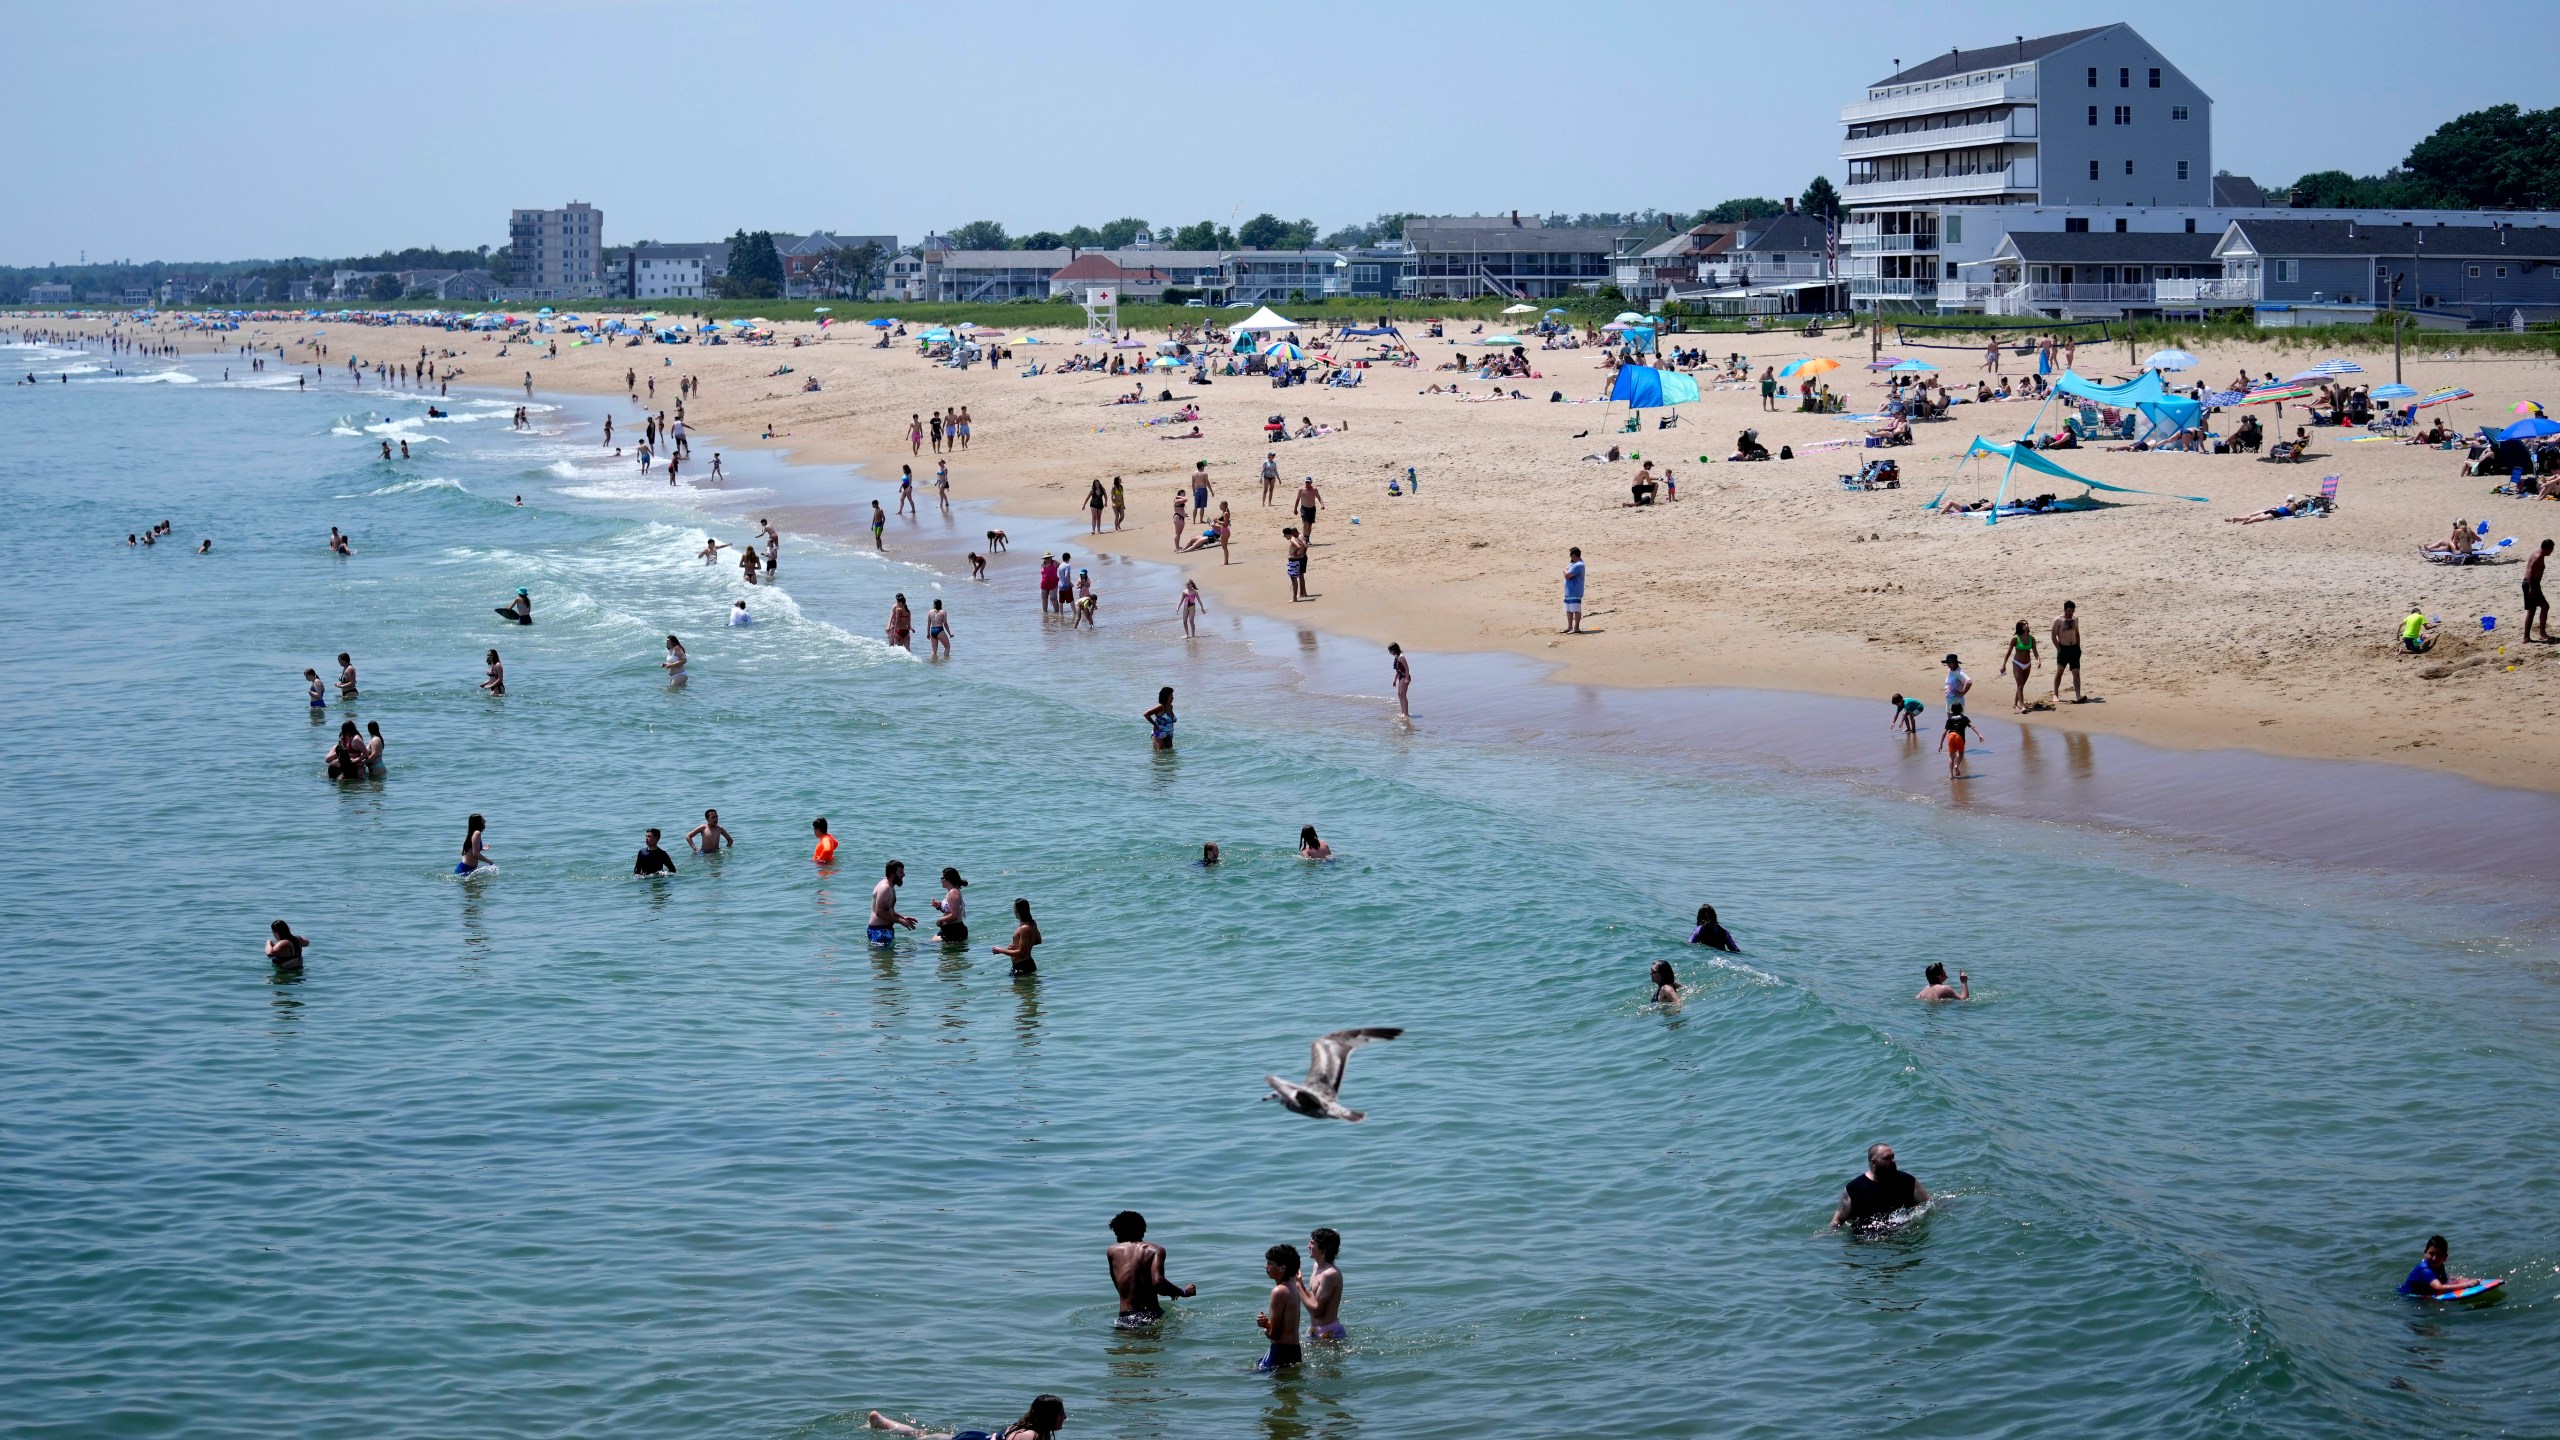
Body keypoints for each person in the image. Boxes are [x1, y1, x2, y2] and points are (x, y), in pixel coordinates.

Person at [1107, 1211, 1194, 1326]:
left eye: (1117, 1234)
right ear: (1142, 1230)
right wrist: (1183, 1292)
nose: (1117, 1239)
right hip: (1150, 1315)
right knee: (1153, 1343)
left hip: (1125, 1318)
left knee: (1126, 1343)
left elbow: (1119, 1285)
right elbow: (1158, 1282)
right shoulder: (1155, 1250)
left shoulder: (1112, 1251)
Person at [864, 1394, 1067, 1440]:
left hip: (974, 1437)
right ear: (1049, 1416)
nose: (1065, 1418)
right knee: (920, 1437)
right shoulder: (1030, 1435)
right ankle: (880, 1422)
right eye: (1061, 1414)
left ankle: (880, 1422)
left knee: (921, 1435)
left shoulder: (1033, 1429)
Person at [1829, 1143, 1929, 1232]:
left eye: (1893, 1157)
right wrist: (1825, 1236)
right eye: (1887, 1158)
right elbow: (1838, 1220)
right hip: (1867, 1243)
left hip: (1904, 1234)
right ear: (1874, 1162)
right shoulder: (1854, 1188)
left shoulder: (1907, 1180)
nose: (1893, 1161)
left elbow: (1929, 1204)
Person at [1256, 1243, 1304, 1371]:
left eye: (1270, 1263)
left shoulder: (1279, 1291)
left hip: (1281, 1352)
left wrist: (1265, 1325)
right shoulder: (1292, 1286)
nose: (1266, 1266)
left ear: (1282, 1268)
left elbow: (1275, 1335)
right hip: (1294, 1351)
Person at [2400, 1235, 2488, 1297]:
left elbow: (2445, 1279)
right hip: (2408, 1298)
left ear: (2445, 1258)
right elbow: (2438, 1288)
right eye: (2431, 1254)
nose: (2434, 1258)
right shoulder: (2425, 1270)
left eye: (2438, 1255)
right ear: (2425, 1253)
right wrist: (2466, 1285)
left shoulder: (2439, 1265)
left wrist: (2466, 1280)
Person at [1299, 1228, 1347, 1341]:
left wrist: (1297, 1286)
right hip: (1313, 1329)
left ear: (1323, 1248)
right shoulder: (1316, 1267)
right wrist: (1300, 1284)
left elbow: (1316, 1311)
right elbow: (1313, 1299)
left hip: (1330, 1332)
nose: (1308, 1246)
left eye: (1312, 1243)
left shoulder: (1329, 1274)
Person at [870, 860, 917, 945]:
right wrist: (900, 921)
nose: (904, 874)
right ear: (892, 874)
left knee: (889, 957)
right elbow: (879, 912)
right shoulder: (885, 888)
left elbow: (887, 909)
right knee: (883, 957)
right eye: (901, 872)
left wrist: (903, 918)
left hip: (885, 930)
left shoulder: (890, 886)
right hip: (878, 931)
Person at [993, 898, 1042, 975]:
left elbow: (1021, 953)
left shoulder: (1023, 928)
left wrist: (1000, 950)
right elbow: (1038, 941)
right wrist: (1015, 946)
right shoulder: (1032, 923)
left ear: (1017, 911)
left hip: (1022, 967)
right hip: (1026, 965)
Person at [2051, 601, 2083, 702]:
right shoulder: (2058, 620)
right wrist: (2059, 649)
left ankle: (2078, 695)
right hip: (2063, 649)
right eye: (2069, 610)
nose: (2071, 613)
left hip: (2074, 648)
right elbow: (2053, 636)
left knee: (2076, 673)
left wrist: (2078, 646)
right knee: (2060, 671)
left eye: (2073, 610)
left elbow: (2077, 633)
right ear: (2065, 610)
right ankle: (2055, 694)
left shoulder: (2075, 619)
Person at [2003, 620, 2038, 714]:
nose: (2026, 625)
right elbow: (2009, 652)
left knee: (2021, 686)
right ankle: (2022, 706)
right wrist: (2004, 665)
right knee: (2020, 685)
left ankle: (2015, 704)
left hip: (2027, 664)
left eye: (2027, 624)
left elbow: (2035, 651)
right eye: (2024, 625)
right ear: (2020, 627)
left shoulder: (2032, 638)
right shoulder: (2015, 638)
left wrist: (2038, 660)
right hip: (2017, 663)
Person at [1941, 703, 1982, 778]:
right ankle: (1956, 766)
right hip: (1959, 736)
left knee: (1951, 756)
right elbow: (1972, 726)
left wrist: (1941, 744)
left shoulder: (1949, 719)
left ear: (1952, 710)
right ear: (1961, 709)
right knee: (1961, 754)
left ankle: (1951, 775)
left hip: (1950, 736)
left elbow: (1944, 732)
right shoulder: (1964, 718)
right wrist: (1979, 734)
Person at [932, 867, 969, 944]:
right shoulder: (951, 892)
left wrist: (940, 920)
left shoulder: (953, 893)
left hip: (954, 930)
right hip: (949, 929)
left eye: (942, 878)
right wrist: (939, 906)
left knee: (929, 946)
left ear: (948, 879)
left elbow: (955, 915)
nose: (940, 880)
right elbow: (950, 910)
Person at [2528, 541, 2554, 643]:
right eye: (2551, 549)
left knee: (2532, 610)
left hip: (2533, 584)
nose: (2552, 552)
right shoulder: (2538, 556)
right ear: (2547, 549)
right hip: (2532, 584)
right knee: (2544, 606)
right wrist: (2531, 588)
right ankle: (2542, 634)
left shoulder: (2538, 553)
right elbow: (2530, 571)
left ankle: (2527, 638)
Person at [1562, 546, 1586, 634]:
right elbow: (1566, 570)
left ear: (1574, 554)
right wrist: (1565, 570)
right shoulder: (1573, 563)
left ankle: (1576, 628)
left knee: (1576, 610)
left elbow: (1567, 575)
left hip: (1575, 591)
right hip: (1569, 591)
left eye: (1570, 554)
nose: (1570, 556)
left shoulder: (1579, 565)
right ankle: (1569, 627)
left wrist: (1564, 570)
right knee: (1568, 610)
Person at [1388, 642, 1411, 720]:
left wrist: (1407, 679)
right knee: (1399, 694)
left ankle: (1406, 713)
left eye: (1390, 651)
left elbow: (1407, 668)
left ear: (1394, 649)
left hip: (1405, 676)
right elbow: (1398, 670)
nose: (1390, 653)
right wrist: (1395, 680)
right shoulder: (1396, 656)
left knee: (1403, 694)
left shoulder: (1401, 657)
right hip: (1400, 676)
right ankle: (1402, 712)